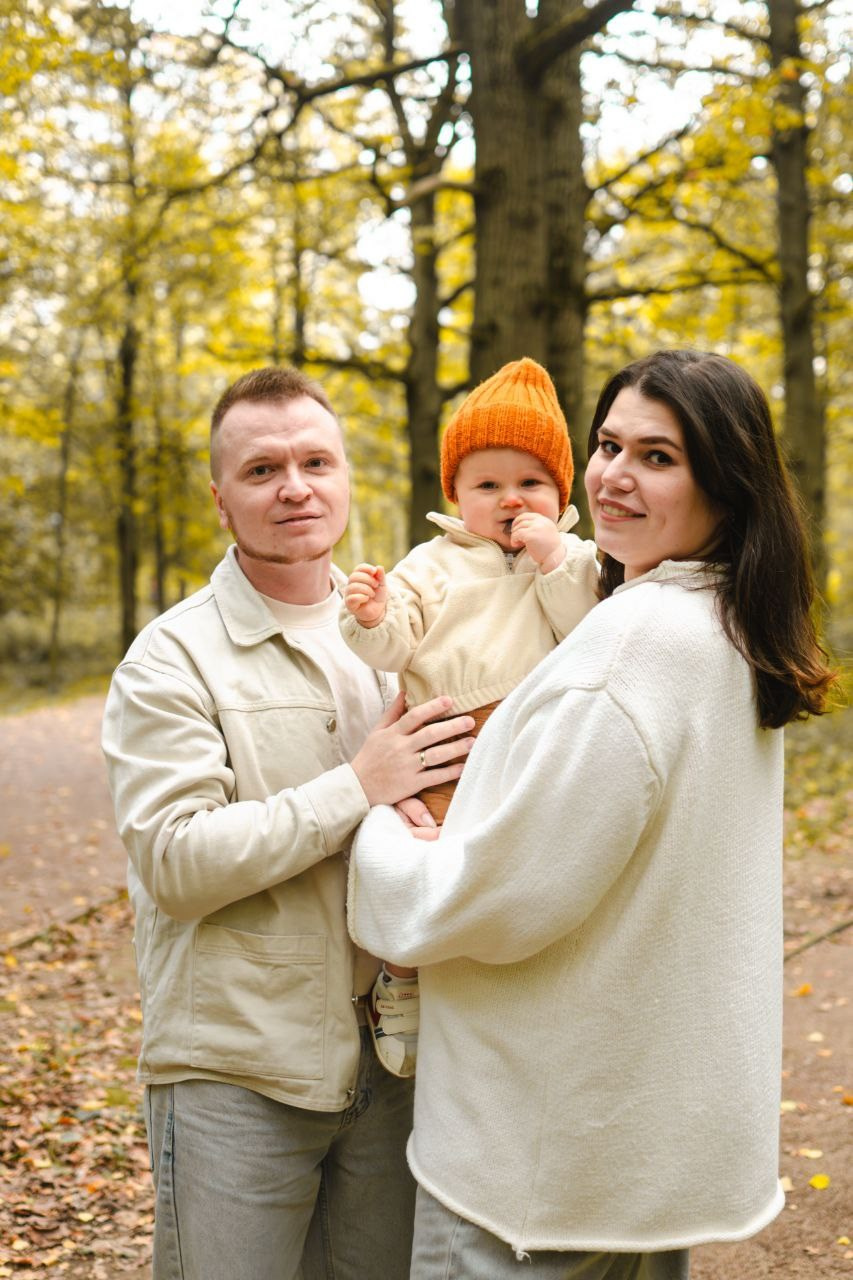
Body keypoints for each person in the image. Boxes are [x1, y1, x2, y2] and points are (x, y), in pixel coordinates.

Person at [348, 350, 836, 1280]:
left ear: (726, 489)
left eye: (659, 457)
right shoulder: (728, 625)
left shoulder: (629, 653)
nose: (613, 476)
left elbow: (479, 902)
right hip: (643, 1145)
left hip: (538, 1162)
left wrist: (381, 814)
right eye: (609, 443)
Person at [101, 366, 476, 1280]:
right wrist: (357, 784)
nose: (295, 486)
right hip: (238, 1073)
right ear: (222, 498)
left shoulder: (404, 638)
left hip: (398, 1063)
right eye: (263, 469)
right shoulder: (171, 659)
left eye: (316, 461)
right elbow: (177, 863)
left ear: (347, 478)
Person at [340, 357, 599, 1078]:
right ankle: (402, 975)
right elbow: (393, 643)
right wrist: (369, 615)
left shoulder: (571, 560)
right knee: (413, 854)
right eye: (487, 485)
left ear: (560, 492)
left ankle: (521, 989)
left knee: (520, 862)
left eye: (529, 484)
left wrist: (552, 559)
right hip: (445, 738)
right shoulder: (431, 565)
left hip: (529, 740)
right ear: (455, 494)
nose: (509, 501)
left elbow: (590, 629)